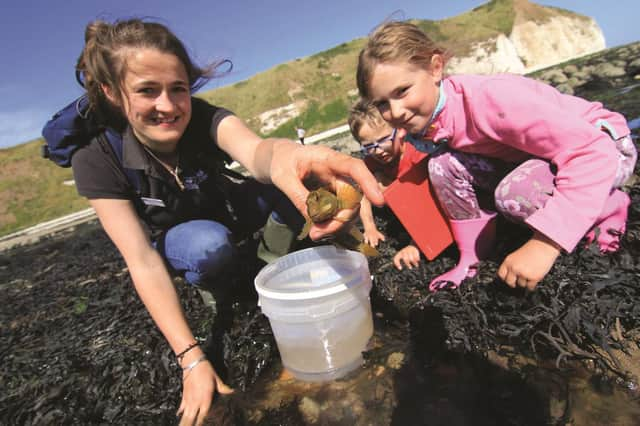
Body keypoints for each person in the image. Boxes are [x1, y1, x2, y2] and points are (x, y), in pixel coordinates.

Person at [63, 18, 383, 426]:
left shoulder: (201, 117)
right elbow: (140, 260)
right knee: (207, 247)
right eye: (147, 90)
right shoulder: (95, 159)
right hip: (184, 239)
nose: (168, 105)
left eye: (178, 89)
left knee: (290, 190)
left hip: (228, 207)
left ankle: (271, 272)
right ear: (111, 92)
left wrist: (288, 157)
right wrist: (191, 358)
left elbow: (256, 151)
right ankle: (218, 287)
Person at [356, 21, 637, 292]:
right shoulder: (428, 125)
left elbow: (592, 152)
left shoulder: (489, 100)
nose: (396, 112)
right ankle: (474, 254)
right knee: (443, 165)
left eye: (402, 91)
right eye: (382, 103)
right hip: (541, 157)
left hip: (606, 148)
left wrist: (545, 243)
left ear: (435, 68)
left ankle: (611, 207)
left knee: (513, 194)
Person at [348, 99, 425, 270]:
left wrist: (415, 244)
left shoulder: (417, 155)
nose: (378, 151)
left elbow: (431, 205)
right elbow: (361, 194)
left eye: (384, 140)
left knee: (383, 181)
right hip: (398, 206)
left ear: (400, 130)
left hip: (422, 207)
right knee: (372, 178)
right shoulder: (372, 162)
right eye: (369, 146)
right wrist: (369, 227)